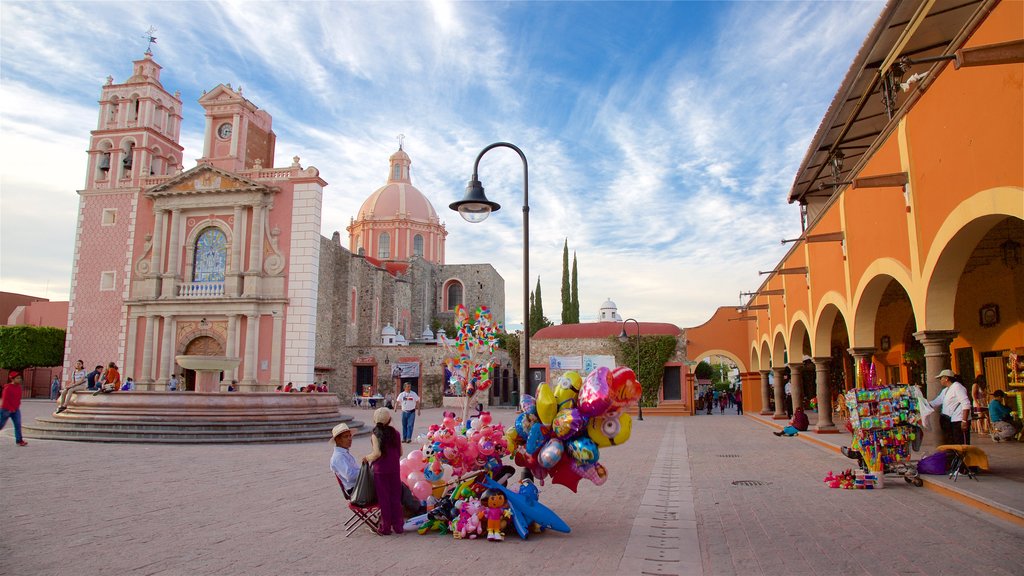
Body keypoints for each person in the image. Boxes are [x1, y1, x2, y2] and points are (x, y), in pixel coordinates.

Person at [363, 408, 403, 535]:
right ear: (389, 419)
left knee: (384, 499)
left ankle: (386, 526)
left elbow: (377, 453)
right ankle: (398, 526)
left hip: (380, 471)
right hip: (394, 469)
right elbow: (400, 452)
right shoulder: (395, 433)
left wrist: (366, 458)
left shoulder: (375, 434)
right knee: (395, 497)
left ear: (375, 420)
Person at [930, 369, 971, 445]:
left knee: (960, 443)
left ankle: (962, 456)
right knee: (952, 442)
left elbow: (966, 404)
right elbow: (937, 401)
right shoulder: (945, 390)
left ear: (946, 378)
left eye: (941, 378)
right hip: (949, 420)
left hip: (959, 420)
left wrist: (964, 421)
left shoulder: (958, 387)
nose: (940, 380)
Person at [1, 371, 28, 446]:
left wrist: (17, 406)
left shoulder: (19, 387)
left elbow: (18, 398)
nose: (19, 379)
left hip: (15, 410)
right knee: (1, 424)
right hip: (6, 410)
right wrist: (9, 408)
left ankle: (19, 440)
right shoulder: (8, 388)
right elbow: (5, 399)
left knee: (18, 424)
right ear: (12, 379)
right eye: (17, 378)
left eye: (20, 378)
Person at [330, 423, 359, 493]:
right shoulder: (338, 457)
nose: (350, 439)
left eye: (350, 436)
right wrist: (365, 471)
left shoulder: (344, 453)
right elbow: (350, 476)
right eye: (346, 436)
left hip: (359, 486)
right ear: (338, 440)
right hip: (356, 490)